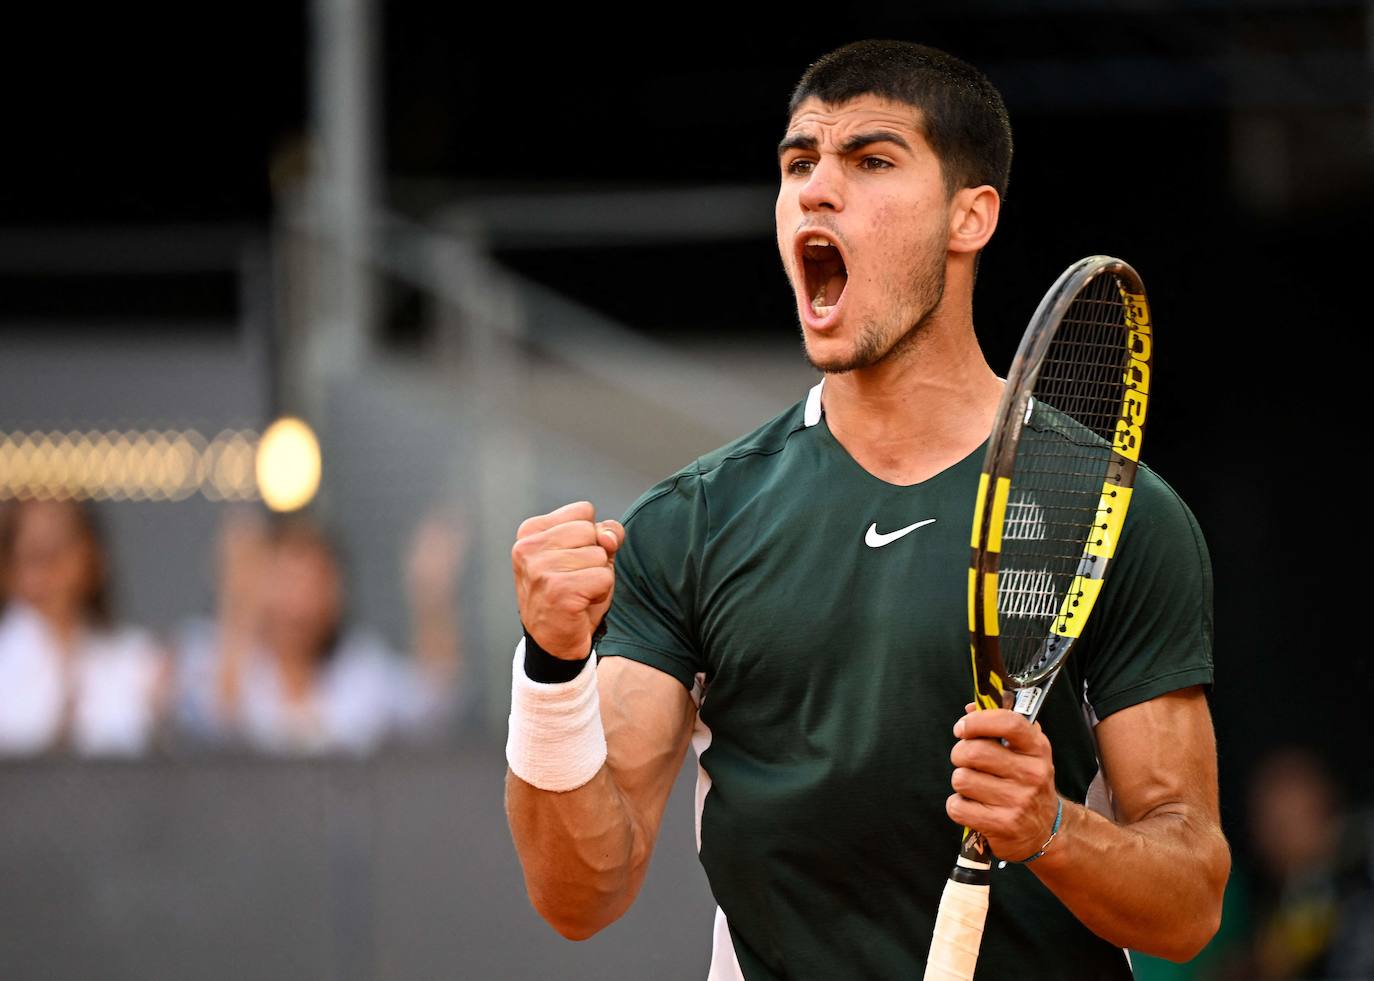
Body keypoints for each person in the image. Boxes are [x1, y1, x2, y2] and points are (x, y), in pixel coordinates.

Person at [505, 40, 1228, 978]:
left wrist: (1052, 828)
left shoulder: (1116, 513)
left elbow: (1190, 902)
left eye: (872, 160)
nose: (816, 190)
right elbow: (578, 895)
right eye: (799, 163)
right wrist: (551, 670)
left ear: (971, 216)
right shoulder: (690, 524)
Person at [176, 510, 465, 755]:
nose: (297, 604)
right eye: (284, 581)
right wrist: (237, 603)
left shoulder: (361, 672)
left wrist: (431, 594)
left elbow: (432, 701)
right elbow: (215, 721)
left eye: (312, 584)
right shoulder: (209, 657)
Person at [0, 498, 168, 756]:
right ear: (9, 570)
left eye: (60, 550)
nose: (52, 573)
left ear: (91, 556)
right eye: (36, 556)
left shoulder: (137, 659)